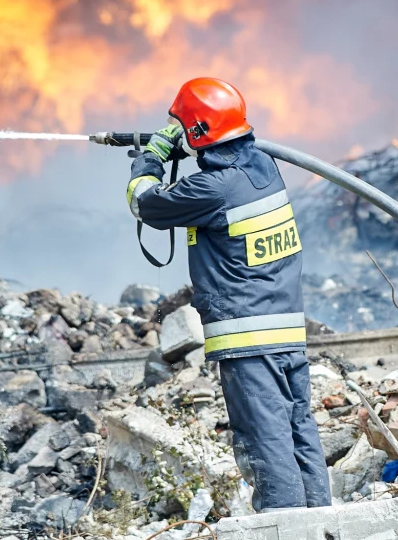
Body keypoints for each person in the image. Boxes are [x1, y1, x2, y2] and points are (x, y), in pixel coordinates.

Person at [127, 76, 332, 512]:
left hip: (248, 342)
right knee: (298, 432)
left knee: (265, 440)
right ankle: (320, 521)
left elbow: (144, 202)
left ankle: (285, 526)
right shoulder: (262, 167)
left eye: (178, 124)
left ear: (197, 132)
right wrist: (191, 145)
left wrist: (154, 156)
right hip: (286, 333)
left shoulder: (211, 189)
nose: (174, 130)